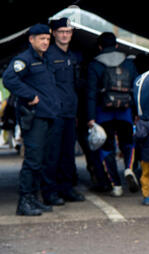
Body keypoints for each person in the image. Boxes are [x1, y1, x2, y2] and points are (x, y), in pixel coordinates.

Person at [2, 24, 62, 216]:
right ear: (31, 39)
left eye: (47, 38)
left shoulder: (45, 60)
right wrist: (29, 95)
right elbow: (9, 79)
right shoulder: (24, 59)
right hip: (34, 117)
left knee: (42, 160)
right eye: (41, 39)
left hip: (48, 116)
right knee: (33, 161)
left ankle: (34, 199)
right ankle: (24, 201)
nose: (45, 42)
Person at [86, 32, 139, 197]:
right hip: (125, 111)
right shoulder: (129, 63)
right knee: (128, 143)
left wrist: (90, 117)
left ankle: (116, 185)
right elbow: (137, 88)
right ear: (116, 45)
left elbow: (91, 93)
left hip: (103, 113)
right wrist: (137, 112)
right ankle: (129, 168)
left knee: (107, 148)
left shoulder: (95, 65)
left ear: (100, 47)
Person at [41, 17, 85, 205]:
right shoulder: (47, 55)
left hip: (70, 112)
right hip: (54, 112)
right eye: (61, 32)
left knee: (68, 154)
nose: (65, 35)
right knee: (52, 154)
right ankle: (50, 193)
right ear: (54, 33)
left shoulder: (73, 57)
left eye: (68, 32)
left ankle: (66, 189)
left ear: (72, 34)